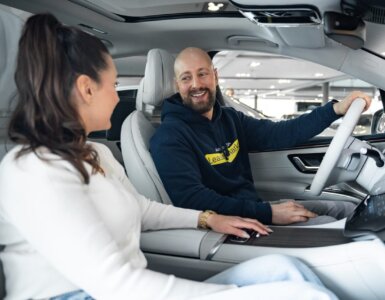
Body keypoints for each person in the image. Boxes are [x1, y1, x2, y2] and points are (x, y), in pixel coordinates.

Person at [0, 14, 338, 300]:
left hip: (127, 287)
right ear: (88, 89)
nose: (118, 98)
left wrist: (208, 219)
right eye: (114, 85)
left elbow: (143, 210)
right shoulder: (33, 171)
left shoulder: (95, 153)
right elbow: (114, 283)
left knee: (285, 271)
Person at [150, 47, 372, 226]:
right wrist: (267, 213)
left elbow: (280, 133)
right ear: (177, 85)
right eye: (186, 78)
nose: (196, 84)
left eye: (202, 74)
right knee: (333, 226)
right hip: (235, 223)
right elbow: (192, 199)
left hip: (254, 208)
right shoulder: (170, 136)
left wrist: (334, 110)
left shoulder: (229, 118)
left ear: (215, 76)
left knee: (347, 209)